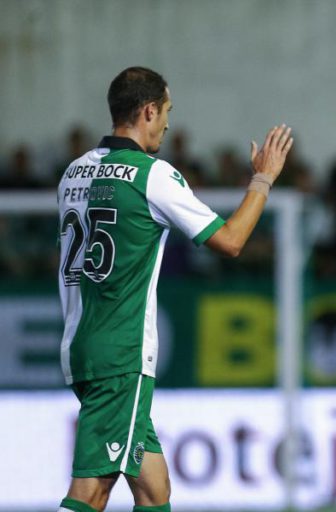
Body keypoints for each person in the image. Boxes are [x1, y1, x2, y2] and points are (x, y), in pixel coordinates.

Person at [56, 66, 293, 512]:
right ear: (148, 110)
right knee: (92, 490)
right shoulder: (152, 175)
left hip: (79, 344)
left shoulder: (73, 173)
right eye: (166, 110)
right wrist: (263, 179)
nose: (168, 122)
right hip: (121, 355)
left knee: (153, 489)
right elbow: (231, 241)